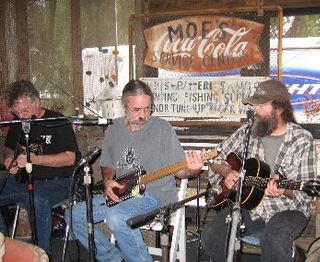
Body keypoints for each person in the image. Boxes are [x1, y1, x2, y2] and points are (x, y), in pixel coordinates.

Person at [66, 79, 204, 262]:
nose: (143, 115)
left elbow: (180, 171)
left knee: (117, 217)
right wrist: (108, 180)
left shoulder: (162, 128)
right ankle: (112, 258)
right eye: (137, 110)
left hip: (156, 196)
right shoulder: (114, 129)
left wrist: (193, 171)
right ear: (124, 106)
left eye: (147, 109)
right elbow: (108, 164)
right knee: (74, 214)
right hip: (123, 194)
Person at [201, 79, 317, 262]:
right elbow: (215, 157)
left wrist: (284, 189)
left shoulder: (302, 140)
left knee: (274, 240)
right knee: (211, 237)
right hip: (250, 206)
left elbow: (305, 191)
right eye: (255, 105)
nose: (255, 110)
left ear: (278, 108)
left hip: (288, 209)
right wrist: (226, 172)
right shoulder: (248, 132)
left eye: (261, 106)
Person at [0, 80, 80, 255]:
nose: (21, 116)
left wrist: (34, 159)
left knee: (37, 199)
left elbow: (69, 158)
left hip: (60, 182)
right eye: (17, 112)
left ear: (37, 102)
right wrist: (9, 159)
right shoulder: (18, 122)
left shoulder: (58, 121)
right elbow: (8, 147)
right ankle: (3, 250)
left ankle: (42, 255)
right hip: (24, 181)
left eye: (25, 110)